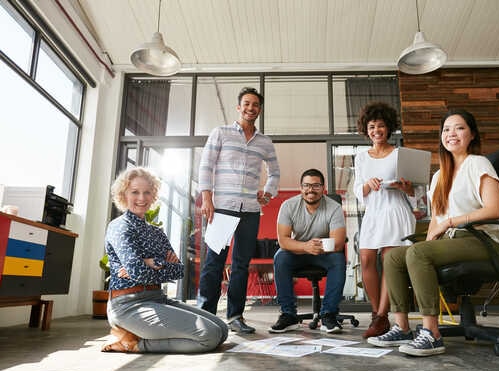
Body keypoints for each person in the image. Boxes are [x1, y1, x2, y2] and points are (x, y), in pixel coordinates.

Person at [370, 109, 499, 356]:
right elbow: (437, 220)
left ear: (472, 134)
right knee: (393, 256)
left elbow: (495, 209)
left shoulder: (478, 163)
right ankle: (401, 327)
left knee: (418, 254)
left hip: (481, 240)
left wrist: (450, 223)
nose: (451, 133)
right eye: (446, 129)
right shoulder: (439, 176)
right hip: (452, 240)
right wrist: (431, 237)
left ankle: (431, 333)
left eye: (459, 128)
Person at [102, 167, 229, 353]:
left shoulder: (156, 232)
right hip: (129, 306)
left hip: (158, 299)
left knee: (222, 330)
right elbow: (139, 272)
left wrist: (150, 262)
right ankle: (133, 344)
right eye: (135, 192)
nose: (141, 198)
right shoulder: (119, 227)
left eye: (147, 192)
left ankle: (139, 336)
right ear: (123, 194)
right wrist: (155, 265)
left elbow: (179, 270)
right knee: (208, 336)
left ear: (153, 195)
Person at [197, 87, 280, 334]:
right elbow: (206, 165)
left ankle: (235, 316)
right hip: (221, 208)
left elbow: (275, 171)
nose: (250, 108)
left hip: (251, 211)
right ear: (238, 107)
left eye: (255, 105)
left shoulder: (264, 142)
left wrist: (268, 192)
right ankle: (206, 315)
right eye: (246, 103)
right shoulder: (220, 133)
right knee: (214, 263)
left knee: (242, 265)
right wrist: (207, 199)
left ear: (260, 110)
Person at [352, 102, 416, 339]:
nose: (376, 130)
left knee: (389, 262)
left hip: (396, 211)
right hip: (373, 213)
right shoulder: (360, 158)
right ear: (366, 129)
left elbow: (415, 192)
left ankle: (380, 317)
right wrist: (368, 185)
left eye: (380, 126)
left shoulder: (400, 154)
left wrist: (406, 187)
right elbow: (358, 189)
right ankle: (379, 315)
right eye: (371, 126)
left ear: (388, 128)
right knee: (366, 259)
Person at [269, 169, 347, 334]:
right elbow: (283, 240)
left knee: (338, 259)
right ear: (301, 187)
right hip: (298, 252)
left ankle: (328, 315)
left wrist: (316, 247)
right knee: (280, 257)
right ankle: (288, 315)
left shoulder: (334, 208)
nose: (310, 190)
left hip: (323, 253)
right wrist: (305, 247)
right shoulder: (288, 206)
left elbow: (338, 243)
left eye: (315, 185)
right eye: (306, 185)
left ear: (323, 188)